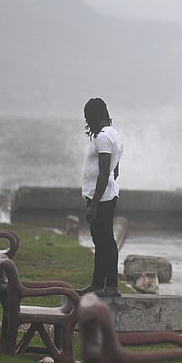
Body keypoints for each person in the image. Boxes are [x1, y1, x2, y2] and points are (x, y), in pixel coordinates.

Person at [76, 98, 124, 297]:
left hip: (102, 197)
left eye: (87, 118)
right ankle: (97, 284)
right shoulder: (114, 134)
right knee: (101, 239)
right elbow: (115, 170)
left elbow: (105, 172)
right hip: (107, 194)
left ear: (94, 117)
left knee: (105, 239)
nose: (87, 123)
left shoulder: (103, 137)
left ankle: (110, 286)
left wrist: (94, 203)